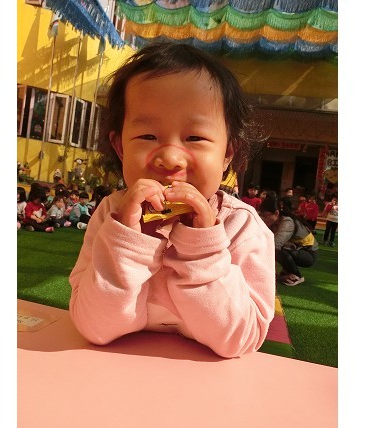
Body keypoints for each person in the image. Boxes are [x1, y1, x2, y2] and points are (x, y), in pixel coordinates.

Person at [68, 42, 275, 358]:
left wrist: (203, 248)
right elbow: (94, 327)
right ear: (121, 148)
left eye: (195, 138)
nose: (170, 158)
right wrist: (126, 241)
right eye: (148, 136)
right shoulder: (112, 214)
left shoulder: (241, 227)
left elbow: (239, 341)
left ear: (227, 153)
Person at [258, 191, 318, 286]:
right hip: (296, 249)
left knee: (276, 248)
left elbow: (275, 245)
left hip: (308, 254)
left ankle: (296, 275)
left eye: (265, 216)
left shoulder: (287, 222)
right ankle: (287, 271)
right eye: (260, 216)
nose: (263, 219)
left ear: (276, 213)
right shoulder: (274, 222)